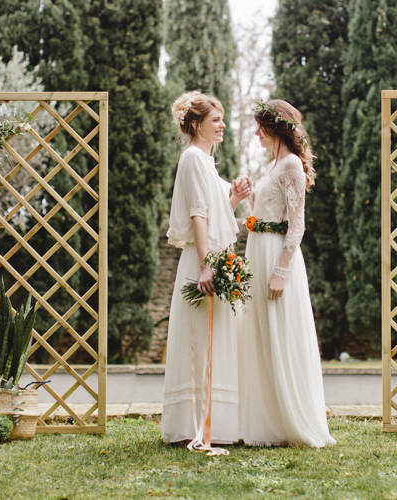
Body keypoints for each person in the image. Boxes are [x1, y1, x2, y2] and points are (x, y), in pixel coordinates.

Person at [238, 99, 335, 448]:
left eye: (260, 127)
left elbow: (297, 225)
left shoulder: (291, 164)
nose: (255, 133)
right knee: (262, 333)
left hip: (278, 258)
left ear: (275, 128)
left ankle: (291, 421)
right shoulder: (272, 165)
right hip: (258, 251)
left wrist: (280, 271)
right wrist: (248, 201)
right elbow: (260, 219)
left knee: (280, 332)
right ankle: (267, 421)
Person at [161, 91, 251, 455]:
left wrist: (235, 199)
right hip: (204, 262)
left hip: (214, 257)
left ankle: (216, 423)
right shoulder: (193, 158)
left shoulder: (206, 162)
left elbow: (215, 213)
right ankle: (195, 427)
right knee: (201, 340)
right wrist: (205, 264)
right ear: (196, 124)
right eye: (216, 119)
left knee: (217, 339)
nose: (223, 124)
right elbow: (198, 214)